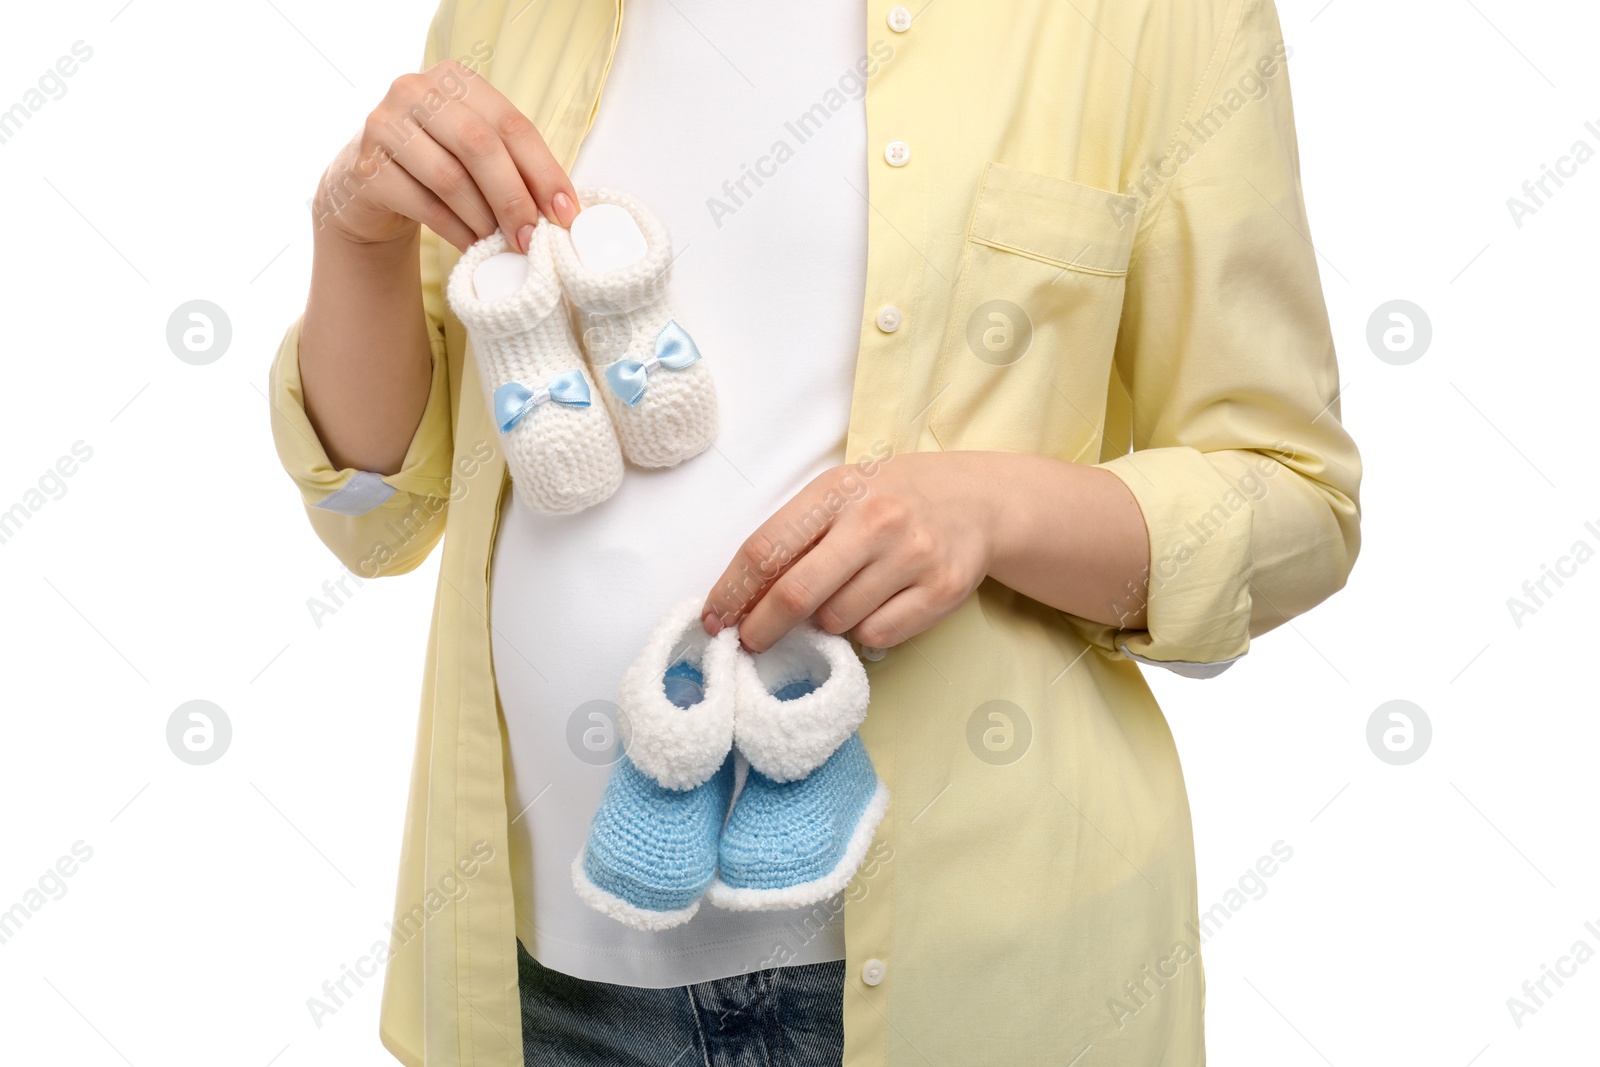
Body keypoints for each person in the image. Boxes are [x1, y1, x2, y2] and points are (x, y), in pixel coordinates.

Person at [267, 0, 1361, 1064]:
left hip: (975, 976)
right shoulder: (510, 12)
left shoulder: (1161, 17)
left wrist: (989, 507)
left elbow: (1291, 496)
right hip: (547, 986)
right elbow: (377, 507)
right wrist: (353, 228)